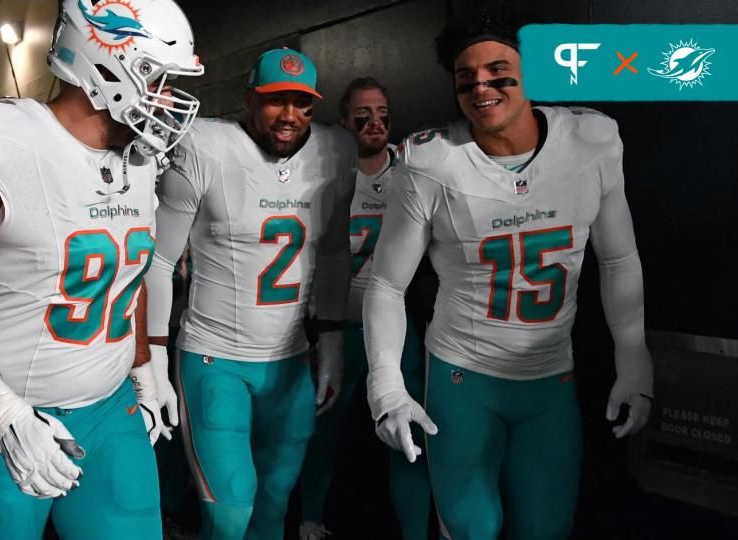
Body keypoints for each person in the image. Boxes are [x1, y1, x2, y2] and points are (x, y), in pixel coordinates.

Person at [0, 1, 203, 538]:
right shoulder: (1, 141)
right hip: (12, 416)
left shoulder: (139, 156)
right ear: (105, 67)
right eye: (158, 79)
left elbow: (125, 278)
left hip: (111, 410)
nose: (169, 98)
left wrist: (141, 368)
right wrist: (3, 412)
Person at [363, 9, 654, 540]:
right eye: (465, 78)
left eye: (498, 70)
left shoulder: (591, 140)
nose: (481, 86)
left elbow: (618, 258)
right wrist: (387, 384)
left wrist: (634, 360)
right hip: (461, 380)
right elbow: (386, 284)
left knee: (546, 529)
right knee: (473, 530)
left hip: (551, 382)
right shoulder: (430, 161)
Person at [146, 48, 356, 540]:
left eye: (302, 103)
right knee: (229, 507)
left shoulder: (334, 150)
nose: (289, 116)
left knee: (274, 501)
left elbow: (331, 254)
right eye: (274, 101)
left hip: (290, 359)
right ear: (248, 99)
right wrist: (152, 360)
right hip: (215, 357)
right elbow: (156, 262)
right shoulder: (205, 146)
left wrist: (331, 343)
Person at [297, 77, 430, 540]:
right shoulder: (323, 171)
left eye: (382, 113)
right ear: (342, 121)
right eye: (363, 114)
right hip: (335, 327)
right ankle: (311, 517)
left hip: (393, 330)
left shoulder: (410, 170)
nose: (375, 122)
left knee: (408, 434)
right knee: (324, 431)